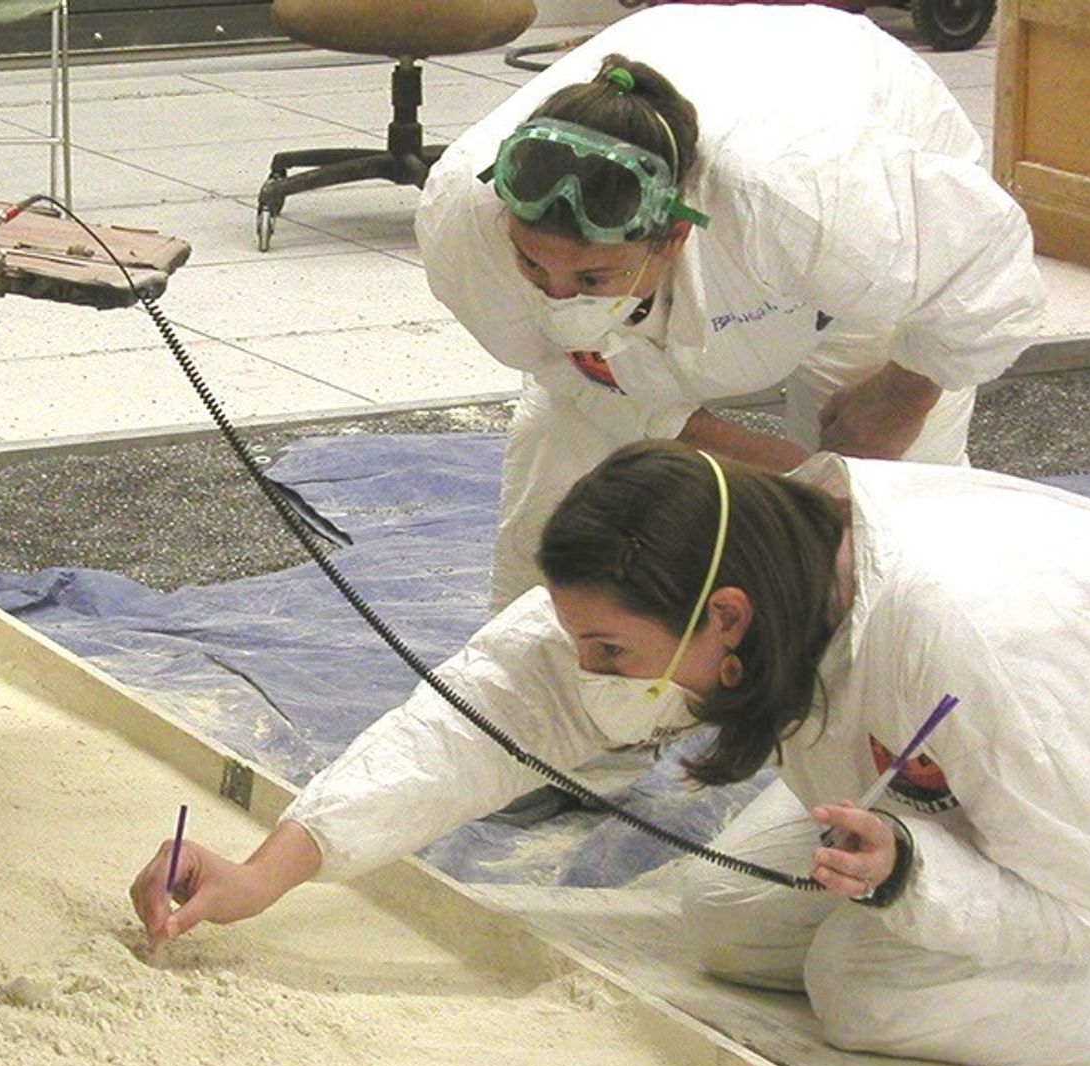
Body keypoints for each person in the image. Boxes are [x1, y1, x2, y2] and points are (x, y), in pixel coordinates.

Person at [130, 441, 1090, 1066]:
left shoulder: (973, 633)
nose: (592, 672)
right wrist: (268, 868)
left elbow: (1078, 895)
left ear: (723, 617)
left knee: (873, 990)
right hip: (1012, 765)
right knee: (729, 916)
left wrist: (909, 873)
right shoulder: (753, 562)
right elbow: (493, 707)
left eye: (612, 651)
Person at [414, 5, 1045, 615]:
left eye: (591, 277)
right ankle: (541, 680)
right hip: (710, 96)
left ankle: (879, 678)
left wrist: (899, 399)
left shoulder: (799, 199)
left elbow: (982, 271)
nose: (560, 299)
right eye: (533, 266)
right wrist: (753, 457)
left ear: (674, 236)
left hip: (858, 148)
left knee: (883, 512)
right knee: (560, 476)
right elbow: (565, 372)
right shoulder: (466, 218)